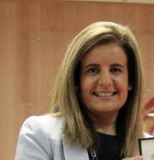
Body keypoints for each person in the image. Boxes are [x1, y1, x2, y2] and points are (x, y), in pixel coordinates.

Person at [15, 21, 144, 160]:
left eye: (115, 70)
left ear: (130, 81)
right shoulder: (40, 134)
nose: (105, 82)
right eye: (93, 70)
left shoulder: (150, 147)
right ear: (76, 81)